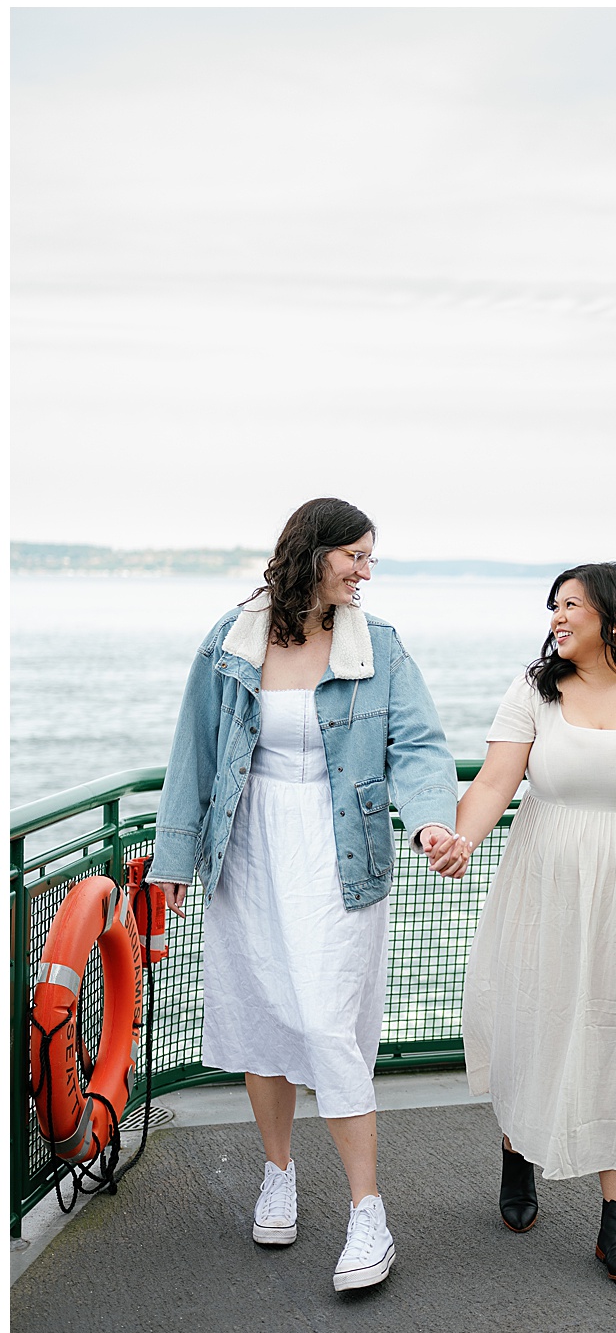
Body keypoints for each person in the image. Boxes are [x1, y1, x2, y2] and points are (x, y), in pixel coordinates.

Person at [149, 496, 462, 1292]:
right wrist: (175, 862)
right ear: (313, 551)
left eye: (370, 558)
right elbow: (196, 747)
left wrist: (429, 823)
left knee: (327, 1023)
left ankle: (368, 1213)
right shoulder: (233, 638)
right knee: (261, 1012)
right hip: (248, 843)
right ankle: (278, 1172)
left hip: (337, 849)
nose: (365, 571)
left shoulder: (378, 647)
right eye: (354, 554)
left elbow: (419, 744)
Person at [441, 562, 616, 1286]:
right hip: (543, 881)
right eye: (553, 606)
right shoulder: (535, 691)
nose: (557, 617)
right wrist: (463, 837)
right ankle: (517, 1150)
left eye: (573, 606)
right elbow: (496, 781)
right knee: (532, 1020)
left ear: (614, 619)